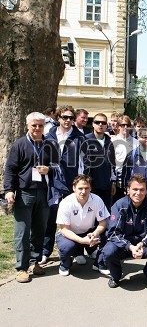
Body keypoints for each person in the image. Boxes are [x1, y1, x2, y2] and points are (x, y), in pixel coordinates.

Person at [4, 112, 59, 283]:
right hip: (24, 193)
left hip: (43, 192)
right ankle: (22, 267)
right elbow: (10, 169)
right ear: (27, 125)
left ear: (44, 126)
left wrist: (48, 170)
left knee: (39, 230)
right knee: (22, 231)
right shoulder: (19, 145)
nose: (37, 128)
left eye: (40, 125)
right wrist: (9, 190)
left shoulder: (50, 144)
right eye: (34, 125)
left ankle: (36, 262)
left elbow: (58, 166)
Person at [102, 174, 147, 288]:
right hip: (124, 245)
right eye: (135, 189)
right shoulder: (119, 205)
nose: (138, 193)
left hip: (143, 244)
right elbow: (113, 233)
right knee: (108, 251)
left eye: (142, 190)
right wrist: (130, 247)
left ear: (146, 191)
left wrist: (142, 244)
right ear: (128, 190)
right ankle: (116, 276)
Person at [42, 105, 86, 265]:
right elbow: (43, 158)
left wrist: (81, 182)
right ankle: (45, 251)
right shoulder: (48, 136)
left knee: (75, 219)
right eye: (64, 117)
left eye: (70, 118)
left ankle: (78, 251)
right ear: (58, 118)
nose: (67, 120)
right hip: (53, 183)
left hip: (71, 183)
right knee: (51, 218)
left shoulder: (79, 138)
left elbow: (84, 163)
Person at [55, 175, 109, 276]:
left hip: (89, 231)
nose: (83, 192)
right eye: (80, 188)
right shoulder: (66, 202)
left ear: (90, 188)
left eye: (86, 188)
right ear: (74, 188)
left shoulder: (97, 200)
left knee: (108, 235)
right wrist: (81, 240)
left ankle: (99, 263)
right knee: (66, 247)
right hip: (70, 233)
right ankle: (65, 264)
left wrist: (95, 233)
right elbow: (64, 229)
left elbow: (103, 222)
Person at [83, 113, 116, 210]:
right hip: (90, 185)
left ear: (107, 125)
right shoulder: (85, 139)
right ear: (93, 124)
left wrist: (113, 182)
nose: (100, 125)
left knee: (104, 213)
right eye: (98, 122)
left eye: (103, 123)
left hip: (106, 185)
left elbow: (113, 164)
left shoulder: (110, 142)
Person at [111, 115, 139, 203]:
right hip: (117, 176)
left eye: (127, 125)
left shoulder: (136, 142)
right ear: (118, 126)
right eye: (122, 125)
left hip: (132, 176)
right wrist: (113, 180)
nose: (125, 127)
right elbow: (110, 162)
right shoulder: (113, 141)